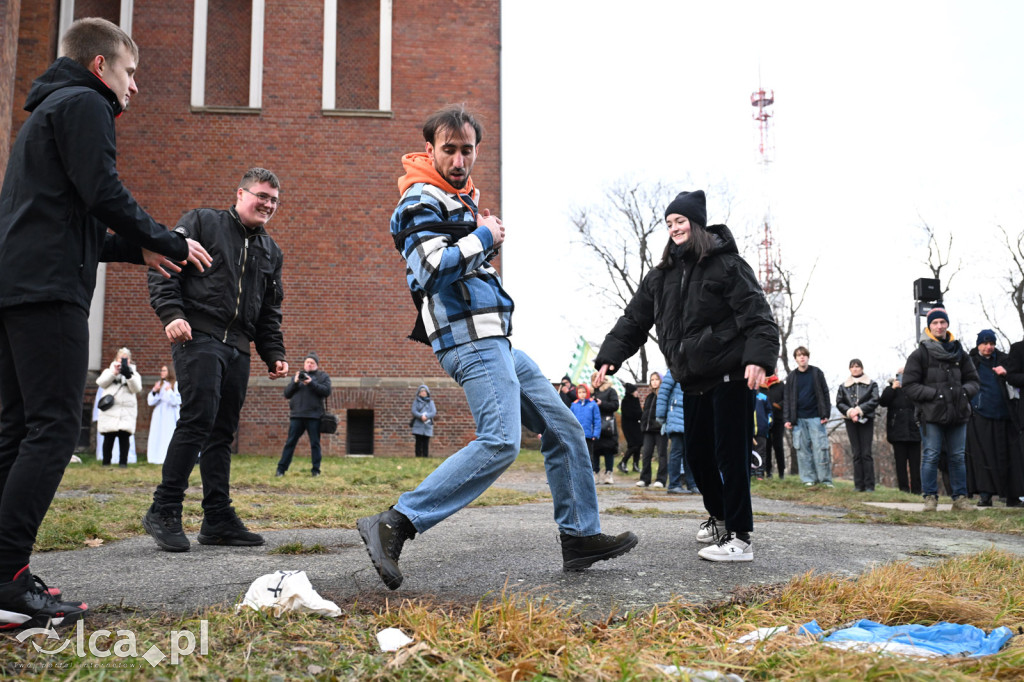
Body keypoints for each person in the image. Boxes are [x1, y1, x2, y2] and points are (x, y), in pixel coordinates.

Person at [358, 106, 637, 590]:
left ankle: (579, 537)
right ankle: (396, 521)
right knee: (502, 441)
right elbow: (429, 268)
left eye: (467, 149)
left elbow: (459, 261)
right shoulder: (420, 198)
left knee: (565, 428)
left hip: (496, 339)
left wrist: (480, 238)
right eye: (449, 149)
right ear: (430, 151)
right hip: (468, 338)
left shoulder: (458, 200)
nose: (460, 158)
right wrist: (484, 236)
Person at [0, 17, 211, 628]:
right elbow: (103, 191)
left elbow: (70, 216)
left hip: (17, 287)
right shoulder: (87, 105)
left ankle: (1, 572)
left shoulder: (43, 113)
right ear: (101, 67)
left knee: (16, 429)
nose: (135, 87)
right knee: (52, 430)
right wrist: (164, 235)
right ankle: (8, 582)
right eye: (130, 72)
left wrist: (136, 248)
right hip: (51, 291)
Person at [594, 189, 780, 562]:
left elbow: (757, 313)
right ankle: (721, 515)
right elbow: (633, 320)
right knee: (697, 457)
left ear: (695, 223)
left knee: (732, 456)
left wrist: (759, 358)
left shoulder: (728, 266)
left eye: (680, 221)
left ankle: (740, 537)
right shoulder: (660, 276)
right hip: (692, 381)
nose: (674, 228)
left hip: (730, 375)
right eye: (668, 223)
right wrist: (609, 357)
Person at [143, 167, 288, 552]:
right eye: (262, 196)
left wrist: (273, 353)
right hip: (198, 335)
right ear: (240, 194)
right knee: (198, 420)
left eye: (274, 200)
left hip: (238, 345)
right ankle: (164, 508)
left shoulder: (270, 251)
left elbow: (269, 311)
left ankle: (217, 518)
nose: (268, 205)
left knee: (223, 432)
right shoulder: (202, 223)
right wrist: (172, 314)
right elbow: (165, 266)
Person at [902, 308, 979, 512]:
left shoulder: (960, 353)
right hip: (931, 415)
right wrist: (936, 395)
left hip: (958, 413)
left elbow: (974, 381)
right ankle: (930, 498)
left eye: (942, 323)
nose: (939, 326)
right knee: (931, 455)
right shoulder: (920, 354)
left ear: (947, 324)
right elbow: (909, 386)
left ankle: (960, 499)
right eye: (935, 323)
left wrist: (963, 393)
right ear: (929, 326)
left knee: (957, 457)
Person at [966, 330, 1023, 507]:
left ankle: (1012, 495)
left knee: (1010, 456)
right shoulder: (971, 362)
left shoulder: (1005, 359)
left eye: (991, 343)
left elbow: (1013, 377)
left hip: (1006, 413)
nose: (988, 347)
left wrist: (1006, 373)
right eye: (984, 343)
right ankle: (985, 494)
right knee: (984, 455)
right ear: (978, 345)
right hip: (981, 414)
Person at [783, 347, 833, 488]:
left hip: (816, 417)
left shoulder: (816, 373)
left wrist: (826, 414)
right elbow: (787, 398)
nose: (802, 358)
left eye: (804, 355)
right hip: (798, 419)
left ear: (808, 357)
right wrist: (787, 419)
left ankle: (825, 480)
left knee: (820, 449)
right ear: (796, 359)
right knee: (802, 450)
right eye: (799, 356)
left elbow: (825, 393)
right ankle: (808, 479)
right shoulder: (792, 377)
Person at [276, 353, 332, 476]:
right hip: (297, 416)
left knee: (315, 444)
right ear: (304, 364)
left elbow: (326, 391)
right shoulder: (297, 377)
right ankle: (281, 470)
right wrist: (295, 382)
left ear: (316, 365)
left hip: (314, 417)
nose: (309, 365)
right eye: (307, 362)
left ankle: (315, 471)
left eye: (312, 363)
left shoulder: (322, 377)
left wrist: (311, 383)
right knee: (290, 443)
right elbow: (287, 394)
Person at [835, 359, 880, 492]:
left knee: (866, 452)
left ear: (862, 368)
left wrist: (859, 410)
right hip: (850, 421)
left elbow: (875, 399)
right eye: (853, 367)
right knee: (856, 453)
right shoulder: (844, 386)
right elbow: (839, 402)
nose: (855, 369)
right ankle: (858, 485)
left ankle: (869, 485)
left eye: (857, 366)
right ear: (849, 369)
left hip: (866, 419)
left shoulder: (872, 384)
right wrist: (850, 412)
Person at [96, 348, 143, 467]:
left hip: (126, 410)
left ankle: (123, 463)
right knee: (109, 437)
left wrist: (129, 376)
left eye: (125, 359)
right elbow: (101, 383)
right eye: (121, 358)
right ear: (116, 359)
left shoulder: (134, 373)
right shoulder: (108, 371)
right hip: (111, 409)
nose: (123, 361)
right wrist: (114, 374)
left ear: (130, 360)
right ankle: (106, 462)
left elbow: (137, 389)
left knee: (124, 437)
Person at [878, 369, 922, 494]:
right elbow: (883, 402)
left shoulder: (915, 387)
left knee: (915, 464)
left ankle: (917, 490)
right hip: (897, 432)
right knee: (900, 464)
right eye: (900, 374)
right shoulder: (890, 389)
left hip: (915, 431)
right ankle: (903, 489)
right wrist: (893, 388)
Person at [657, 369, 698, 494]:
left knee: (690, 454)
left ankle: (692, 484)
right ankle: (674, 484)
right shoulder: (675, 369)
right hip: (676, 417)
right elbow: (663, 393)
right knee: (677, 452)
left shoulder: (696, 367)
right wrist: (661, 415)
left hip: (690, 417)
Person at [636, 371, 667, 488]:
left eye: (656, 379)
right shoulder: (649, 397)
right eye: (652, 379)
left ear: (661, 381)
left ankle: (661, 479)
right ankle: (645, 479)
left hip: (660, 430)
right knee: (646, 454)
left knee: (662, 455)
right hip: (648, 430)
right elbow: (645, 413)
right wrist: (643, 426)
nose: (654, 382)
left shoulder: (663, 396)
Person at [146, 364, 180, 465]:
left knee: (169, 435)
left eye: (164, 371)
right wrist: (154, 391)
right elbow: (151, 401)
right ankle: (156, 457)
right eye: (161, 371)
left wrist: (169, 391)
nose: (162, 373)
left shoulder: (175, 384)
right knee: (158, 435)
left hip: (170, 414)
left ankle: (168, 457)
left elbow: (176, 401)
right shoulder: (159, 384)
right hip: (159, 414)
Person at [592, 374, 619, 485]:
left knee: (608, 449)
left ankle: (608, 473)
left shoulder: (610, 390)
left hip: (607, 424)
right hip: (593, 424)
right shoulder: (590, 392)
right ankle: (595, 473)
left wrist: (601, 404)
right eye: (594, 379)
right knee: (594, 450)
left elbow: (615, 405)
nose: (596, 381)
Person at [570, 384, 601, 468]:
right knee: (576, 455)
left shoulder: (593, 404)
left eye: (584, 392)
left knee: (588, 456)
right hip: (576, 435)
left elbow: (597, 420)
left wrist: (595, 434)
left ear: (587, 392)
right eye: (579, 392)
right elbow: (570, 420)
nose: (582, 394)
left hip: (588, 434)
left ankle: (589, 475)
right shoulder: (574, 405)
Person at [763, 374, 786, 479]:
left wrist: (778, 405)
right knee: (766, 446)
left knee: (778, 446)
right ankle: (768, 472)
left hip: (778, 419)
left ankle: (781, 472)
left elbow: (786, 399)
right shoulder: (760, 386)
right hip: (763, 420)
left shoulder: (781, 385)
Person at [617, 383, 643, 474]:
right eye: (635, 391)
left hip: (636, 425)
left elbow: (639, 412)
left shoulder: (636, 400)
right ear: (631, 392)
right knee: (633, 445)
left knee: (639, 444)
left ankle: (635, 465)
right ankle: (623, 462)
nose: (637, 393)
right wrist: (639, 415)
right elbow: (630, 414)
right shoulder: (625, 401)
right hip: (628, 426)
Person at [410, 384, 437, 459]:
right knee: (418, 441)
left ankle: (425, 456)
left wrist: (427, 416)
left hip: (427, 425)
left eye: (425, 391)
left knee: (425, 442)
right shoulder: (416, 402)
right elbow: (414, 411)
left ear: (427, 392)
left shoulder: (431, 402)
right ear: (419, 393)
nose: (423, 392)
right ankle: (418, 456)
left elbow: (433, 412)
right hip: (418, 424)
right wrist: (420, 416)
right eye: (421, 391)